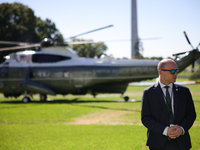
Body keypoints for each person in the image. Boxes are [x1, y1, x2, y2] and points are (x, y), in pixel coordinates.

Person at [141, 58, 196, 150]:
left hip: (182, 143)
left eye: (177, 70)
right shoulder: (148, 93)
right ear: (160, 72)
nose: (176, 74)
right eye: (172, 71)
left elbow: (191, 115)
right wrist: (166, 130)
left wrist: (181, 129)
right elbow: (146, 118)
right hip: (157, 144)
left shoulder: (184, 91)